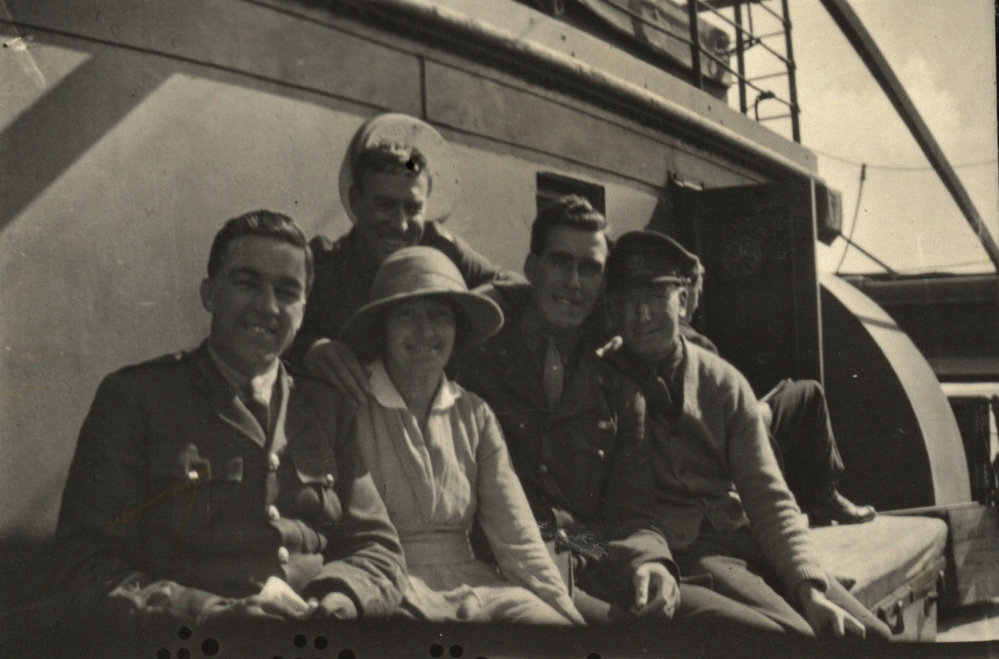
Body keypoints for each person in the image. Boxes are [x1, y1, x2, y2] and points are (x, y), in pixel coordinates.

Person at [53, 210, 407, 627]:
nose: (268, 306)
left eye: (288, 291)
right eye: (246, 283)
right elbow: (84, 567)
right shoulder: (135, 398)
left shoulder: (326, 407)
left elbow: (378, 549)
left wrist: (339, 602)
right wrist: (209, 614)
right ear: (209, 294)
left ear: (304, 309)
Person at [454, 196, 776, 629]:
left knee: (762, 634)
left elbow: (632, 509)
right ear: (532, 268)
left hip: (595, 555)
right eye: (560, 263)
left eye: (589, 268)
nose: (573, 283)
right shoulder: (478, 361)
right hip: (509, 565)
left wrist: (651, 564)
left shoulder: (617, 380)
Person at [600, 230, 892, 638]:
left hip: (746, 541)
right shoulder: (601, 381)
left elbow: (768, 495)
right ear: (611, 311)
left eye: (654, 298)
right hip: (685, 555)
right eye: (627, 303)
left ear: (682, 300)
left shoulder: (722, 381)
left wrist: (808, 587)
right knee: (798, 637)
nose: (642, 316)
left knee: (875, 637)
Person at [340, 246, 583, 625]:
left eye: (439, 316)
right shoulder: (354, 406)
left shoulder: (474, 414)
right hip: (387, 584)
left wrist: (566, 616)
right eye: (407, 316)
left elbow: (516, 534)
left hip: (476, 584)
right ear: (383, 327)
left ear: (457, 329)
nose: (425, 332)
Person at [288, 113, 517, 402]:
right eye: (384, 205)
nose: (400, 224)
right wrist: (313, 348)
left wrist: (465, 303)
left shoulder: (440, 248)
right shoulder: (324, 264)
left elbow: (514, 285)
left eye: (412, 208)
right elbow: (278, 324)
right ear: (356, 202)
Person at [680, 258, 876, 526]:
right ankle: (824, 498)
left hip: (711, 451)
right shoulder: (694, 344)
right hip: (729, 452)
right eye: (697, 293)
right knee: (809, 394)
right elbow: (717, 428)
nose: (697, 302)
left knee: (788, 393)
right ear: (684, 293)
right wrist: (756, 412)